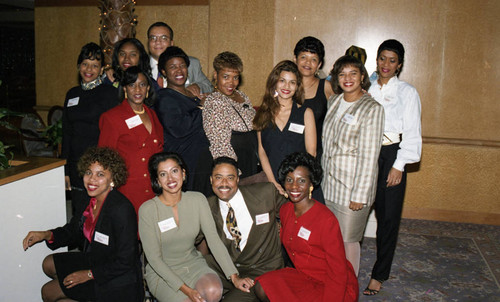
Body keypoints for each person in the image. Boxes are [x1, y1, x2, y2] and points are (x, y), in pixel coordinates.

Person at [22, 147, 143, 302]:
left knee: (49, 292)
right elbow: (74, 230)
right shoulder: (88, 199)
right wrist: (46, 234)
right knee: (48, 264)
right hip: (95, 258)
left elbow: (125, 261)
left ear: (113, 179)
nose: (92, 179)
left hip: (117, 278)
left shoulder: (121, 209)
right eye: (88, 172)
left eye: (100, 174)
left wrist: (88, 274)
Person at [138, 152, 253, 302]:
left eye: (174, 171)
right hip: (162, 273)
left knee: (213, 291)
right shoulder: (148, 210)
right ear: (157, 180)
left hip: (192, 264)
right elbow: (154, 259)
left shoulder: (197, 199)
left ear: (183, 173)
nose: (171, 178)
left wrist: (234, 277)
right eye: (163, 174)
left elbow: (213, 240)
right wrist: (188, 291)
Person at [254, 152, 358, 302]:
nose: (294, 186)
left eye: (301, 181)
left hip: (332, 283)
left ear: (311, 184)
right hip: (304, 277)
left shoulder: (326, 220)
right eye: (289, 180)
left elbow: (338, 271)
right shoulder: (285, 210)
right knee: (263, 286)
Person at [364, 39, 422, 296]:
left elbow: (412, 133)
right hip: (365, 155)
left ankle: (379, 274)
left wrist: (398, 165)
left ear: (399, 65)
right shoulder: (366, 89)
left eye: (392, 60)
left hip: (391, 155)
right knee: (359, 211)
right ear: (376, 60)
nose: (386, 64)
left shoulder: (408, 92)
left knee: (387, 218)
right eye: (382, 58)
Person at [322, 55, 384, 276]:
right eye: (342, 74)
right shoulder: (334, 101)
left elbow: (369, 156)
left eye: (353, 73)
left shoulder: (371, 109)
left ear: (362, 77)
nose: (347, 78)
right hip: (328, 185)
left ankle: (348, 290)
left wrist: (360, 194)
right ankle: (332, 284)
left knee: (349, 242)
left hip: (351, 190)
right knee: (330, 240)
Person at [204, 156, 287, 301]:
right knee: (193, 289)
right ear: (211, 180)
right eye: (218, 177)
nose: (224, 183)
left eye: (230, 177)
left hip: (262, 270)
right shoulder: (205, 207)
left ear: (237, 179)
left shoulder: (265, 193)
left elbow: (293, 215)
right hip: (226, 269)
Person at [61, 42, 119, 219]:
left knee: (100, 215)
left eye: (95, 65)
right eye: (85, 64)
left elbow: (115, 131)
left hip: (99, 164)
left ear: (102, 70)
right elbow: (67, 133)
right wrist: (65, 170)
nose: (89, 69)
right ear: (79, 66)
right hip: (76, 164)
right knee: (80, 214)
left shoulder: (109, 93)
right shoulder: (72, 94)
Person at [253, 60, 322, 202]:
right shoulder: (263, 113)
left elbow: (311, 153)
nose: (286, 86)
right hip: (272, 185)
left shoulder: (305, 113)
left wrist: (296, 184)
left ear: (297, 86)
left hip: (300, 185)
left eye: (292, 82)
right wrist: (274, 184)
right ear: (274, 83)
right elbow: (262, 152)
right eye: (282, 81)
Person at [98, 66, 164, 214]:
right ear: (125, 89)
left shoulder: (153, 115)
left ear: (148, 88)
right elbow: (104, 159)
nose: (137, 90)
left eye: (142, 84)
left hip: (154, 188)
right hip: (127, 189)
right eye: (132, 85)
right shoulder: (112, 117)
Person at [154, 46, 212, 196]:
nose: (179, 71)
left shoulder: (193, 95)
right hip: (186, 163)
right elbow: (180, 128)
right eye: (173, 67)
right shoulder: (165, 97)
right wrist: (202, 108)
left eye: (182, 66)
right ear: (164, 72)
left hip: (203, 162)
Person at [202, 52, 259, 179]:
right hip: (236, 164)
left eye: (235, 77)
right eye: (226, 77)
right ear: (216, 75)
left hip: (251, 160)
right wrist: (232, 174)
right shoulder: (214, 102)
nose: (231, 83)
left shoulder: (242, 96)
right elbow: (220, 145)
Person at [293, 36, 334, 159]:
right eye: (303, 57)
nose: (307, 63)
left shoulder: (326, 87)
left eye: (313, 59)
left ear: (319, 64)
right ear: (295, 59)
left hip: (317, 154)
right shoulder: (285, 86)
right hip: (288, 150)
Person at [147, 21, 212, 97]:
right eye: (153, 38)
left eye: (164, 38)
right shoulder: (140, 65)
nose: (158, 42)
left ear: (171, 43)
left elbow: (208, 86)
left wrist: (197, 87)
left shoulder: (191, 63)